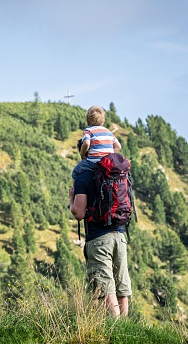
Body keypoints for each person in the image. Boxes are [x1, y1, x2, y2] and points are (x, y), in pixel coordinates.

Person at [68, 109, 131, 317]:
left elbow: (78, 213)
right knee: (122, 284)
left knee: (106, 287)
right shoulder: (115, 172)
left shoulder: (83, 175)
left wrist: (71, 197)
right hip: (120, 234)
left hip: (98, 237)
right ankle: (126, 328)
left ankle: (115, 329)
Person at [71, 105, 122, 180]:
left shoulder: (88, 131)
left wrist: (82, 155)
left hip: (94, 162)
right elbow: (118, 146)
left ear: (88, 121)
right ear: (103, 121)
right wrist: (109, 155)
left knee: (75, 171)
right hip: (108, 163)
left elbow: (86, 143)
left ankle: (75, 191)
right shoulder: (108, 132)